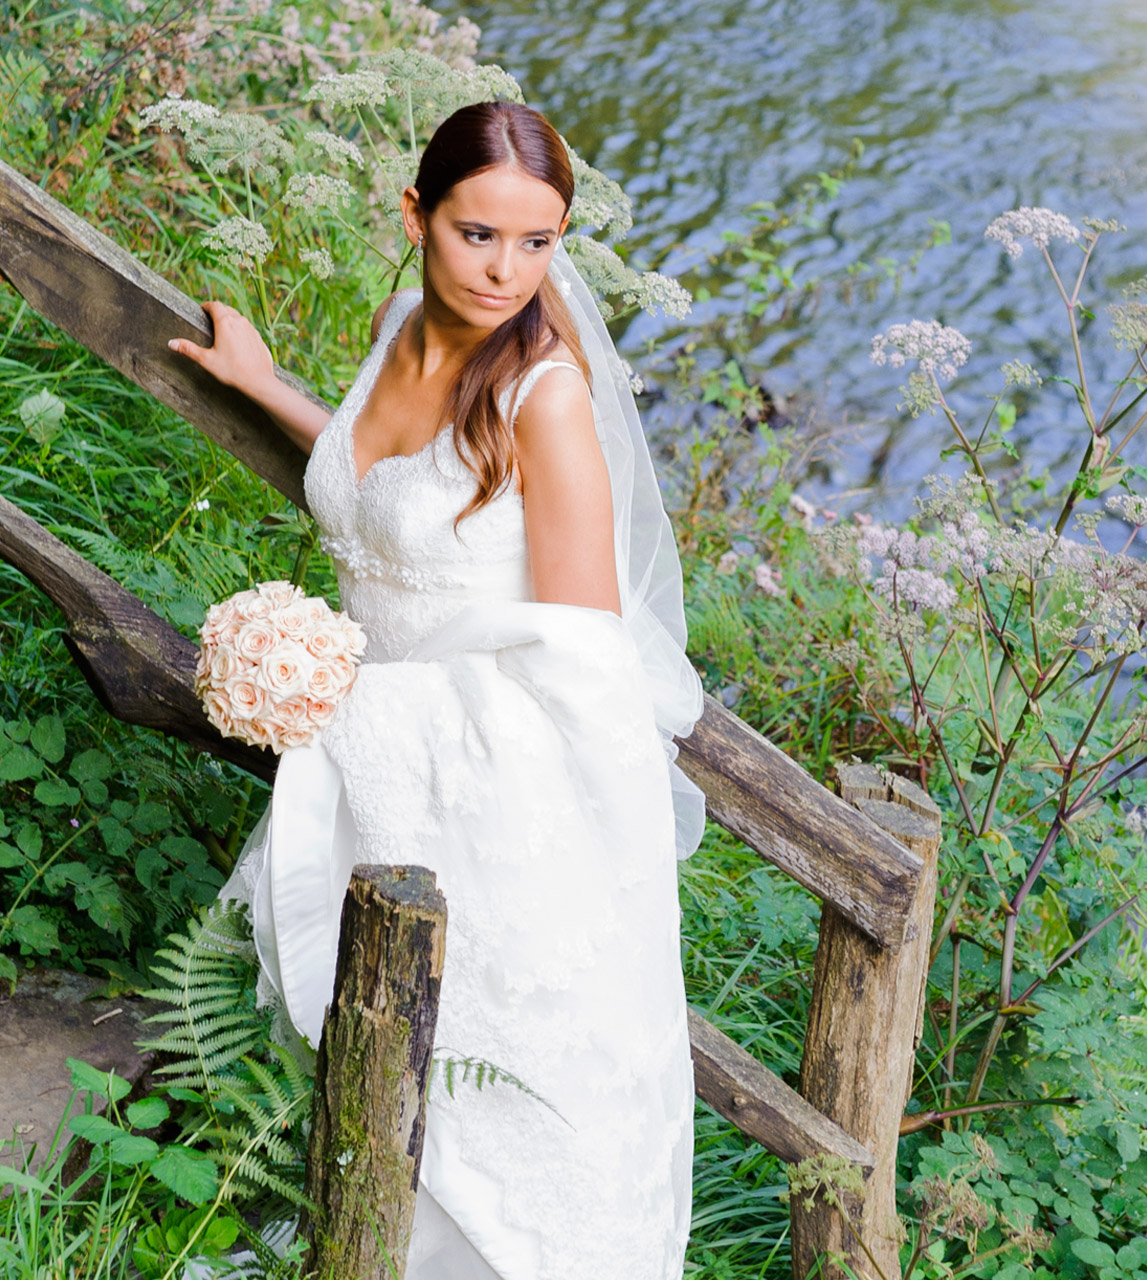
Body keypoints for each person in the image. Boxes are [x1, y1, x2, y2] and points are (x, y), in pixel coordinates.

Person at [167, 100, 705, 1278]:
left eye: (537, 242)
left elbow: (581, 659)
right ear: (415, 215)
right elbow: (392, 494)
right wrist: (266, 388)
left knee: (484, 1072)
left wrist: (345, 701)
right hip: (382, 760)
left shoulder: (543, 397)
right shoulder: (397, 321)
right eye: (477, 235)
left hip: (497, 782)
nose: (506, 272)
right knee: (366, 1040)